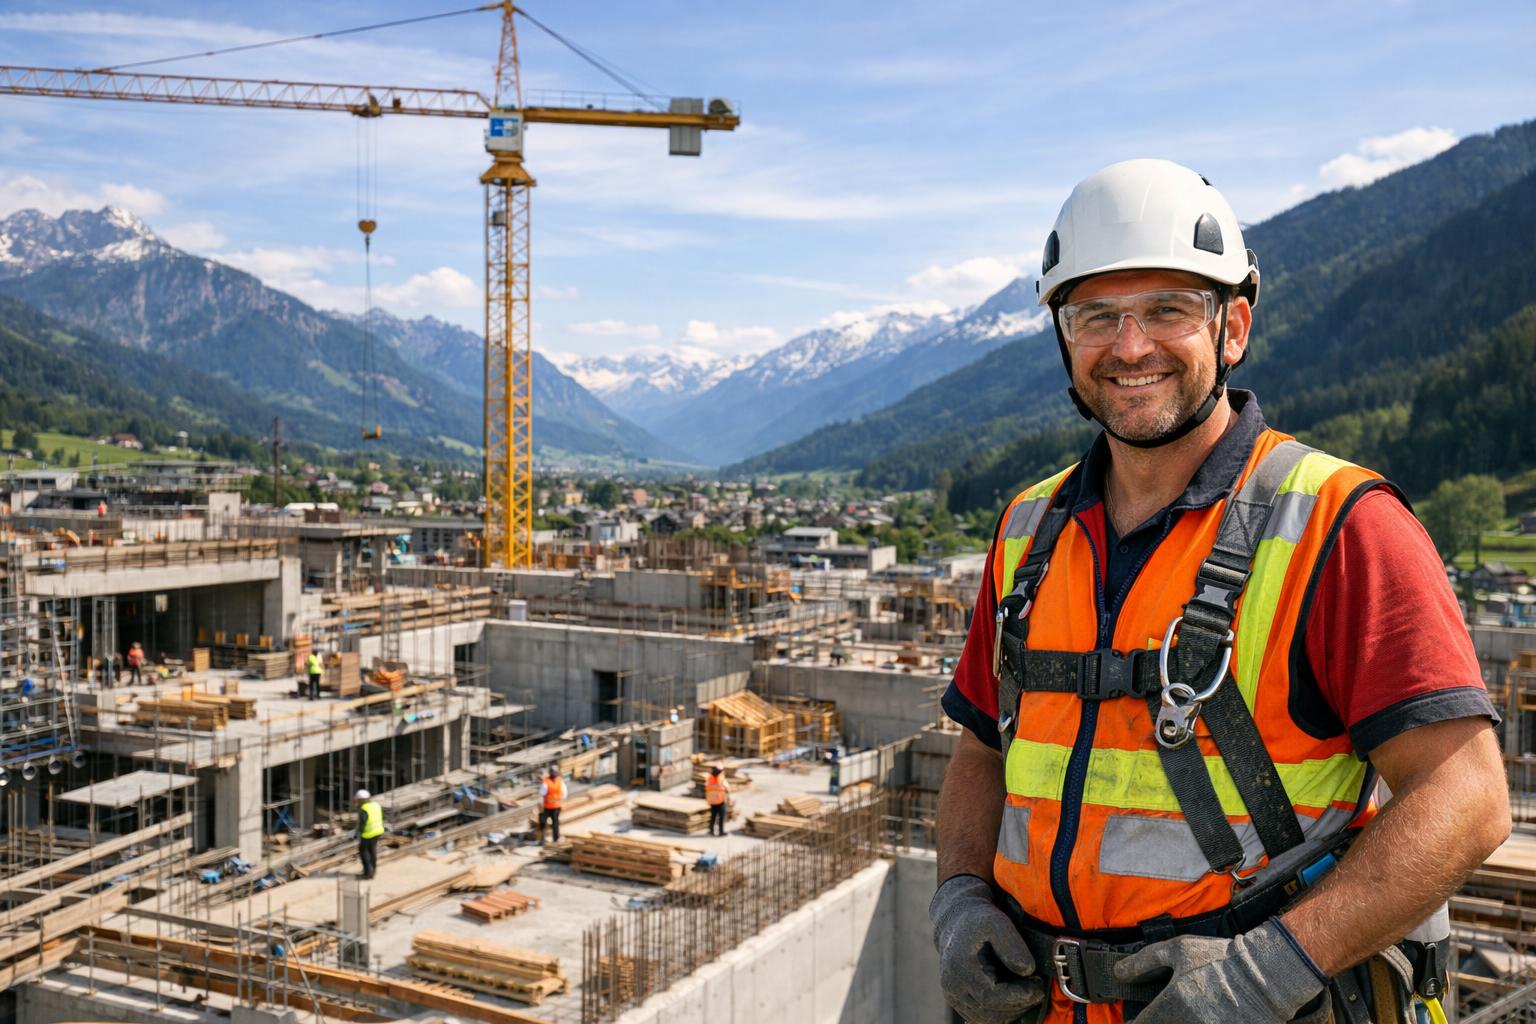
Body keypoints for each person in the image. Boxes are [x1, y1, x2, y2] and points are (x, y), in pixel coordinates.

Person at [930, 159, 1510, 1024]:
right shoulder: (1029, 529)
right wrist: (959, 898)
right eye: (1097, 316)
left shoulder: (1340, 526)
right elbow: (982, 750)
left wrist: (1260, 979)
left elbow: (1465, 800)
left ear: (1232, 326)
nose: (1130, 348)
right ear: (1063, 335)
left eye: (1169, 309)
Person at [355, 788, 383, 880]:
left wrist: (358, 834)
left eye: (358, 800)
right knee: (372, 850)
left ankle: (368, 873)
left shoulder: (364, 809)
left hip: (368, 834)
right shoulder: (376, 805)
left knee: (363, 852)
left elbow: (362, 824)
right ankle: (373, 870)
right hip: (378, 831)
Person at [538, 766, 563, 843]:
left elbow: (541, 794)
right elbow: (564, 794)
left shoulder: (546, 782)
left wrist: (540, 806)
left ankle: (542, 839)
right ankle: (555, 838)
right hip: (555, 806)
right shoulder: (560, 781)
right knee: (555, 823)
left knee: (543, 823)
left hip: (547, 807)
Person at [705, 766, 730, 836]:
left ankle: (711, 831)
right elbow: (727, 788)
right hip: (720, 801)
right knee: (721, 817)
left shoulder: (709, 778)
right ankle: (721, 832)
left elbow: (707, 787)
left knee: (713, 817)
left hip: (712, 801)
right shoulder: (721, 778)